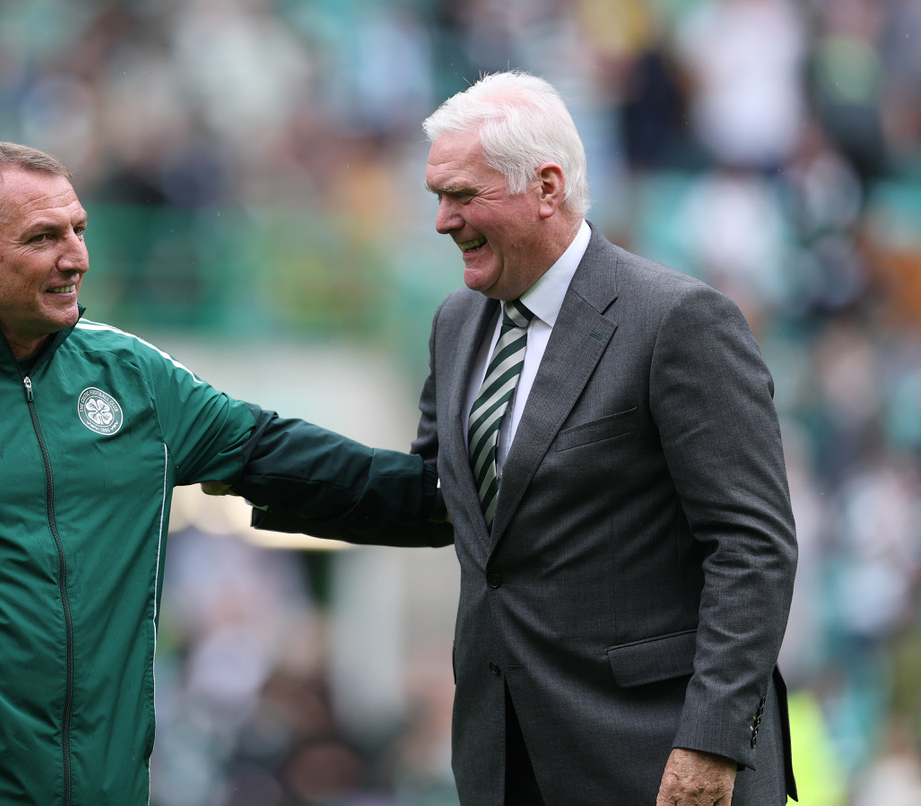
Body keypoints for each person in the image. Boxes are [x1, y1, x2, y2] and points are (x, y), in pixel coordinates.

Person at [0, 141, 450, 806]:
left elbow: (281, 460)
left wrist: (447, 502)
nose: (76, 257)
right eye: (43, 238)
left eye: (78, 229)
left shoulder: (133, 377)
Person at [257, 71, 799, 804]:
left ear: (547, 188)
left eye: (462, 195)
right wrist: (249, 457)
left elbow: (753, 544)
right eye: (436, 198)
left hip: (658, 759)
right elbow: (435, 500)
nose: (443, 221)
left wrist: (711, 740)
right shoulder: (457, 323)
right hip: (505, 760)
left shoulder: (677, 321)